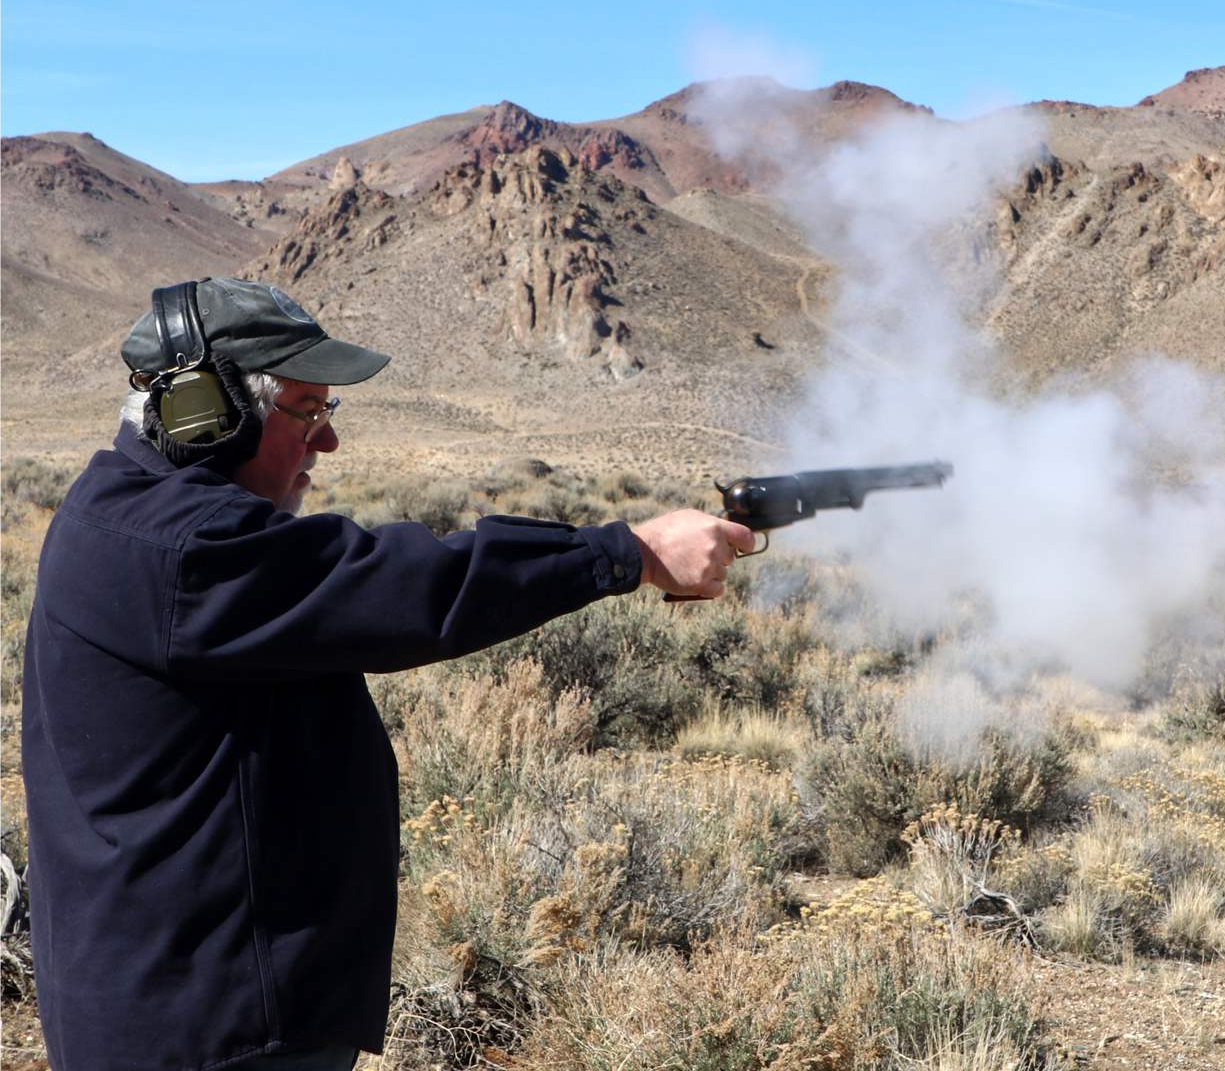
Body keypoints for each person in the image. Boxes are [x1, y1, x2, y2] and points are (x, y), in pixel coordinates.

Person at [20, 277, 755, 1070]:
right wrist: (627, 554)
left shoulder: (125, 511)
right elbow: (405, 587)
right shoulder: (184, 549)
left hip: (184, 999)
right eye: (306, 409)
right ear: (206, 412)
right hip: (211, 1029)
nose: (326, 441)